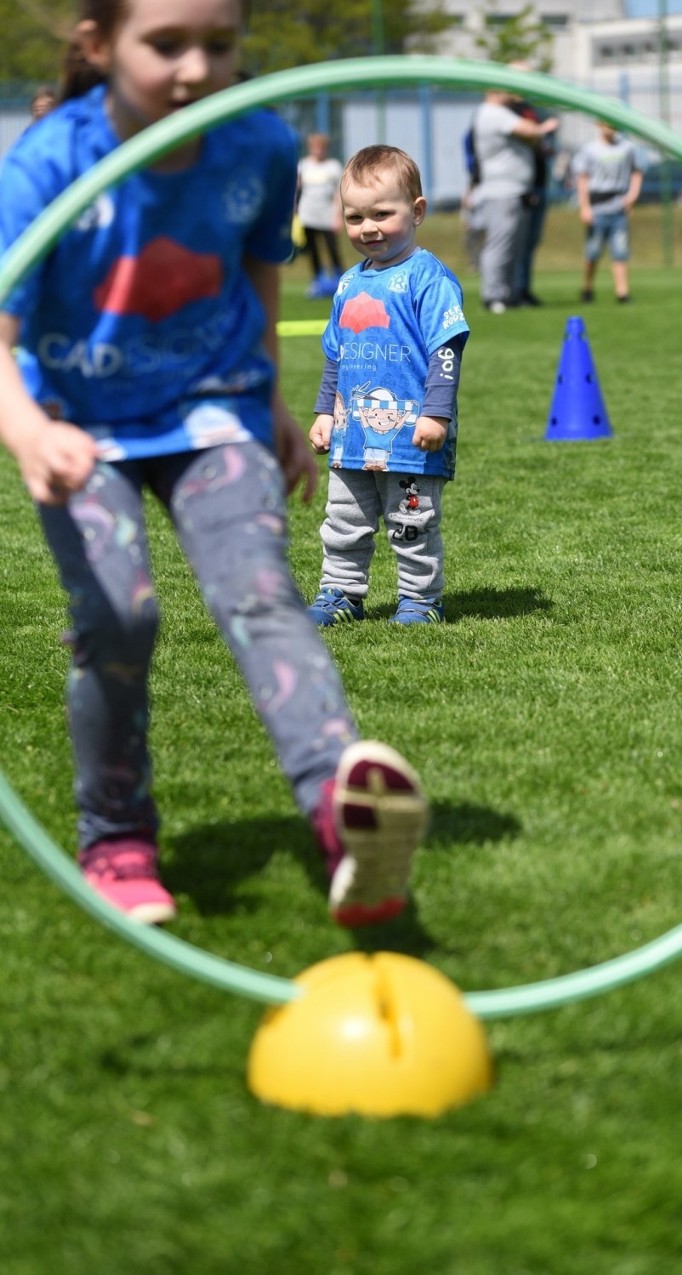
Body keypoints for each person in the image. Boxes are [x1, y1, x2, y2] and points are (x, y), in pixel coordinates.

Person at [0, 0, 428, 930]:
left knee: (261, 592)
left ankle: (340, 814)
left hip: (214, 412)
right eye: (166, 45)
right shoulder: (48, 161)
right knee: (118, 617)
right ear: (99, 46)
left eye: (220, 44)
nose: (197, 68)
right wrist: (29, 433)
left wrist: (272, 399)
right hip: (83, 425)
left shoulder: (260, 148)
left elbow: (258, 271)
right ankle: (115, 835)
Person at [306, 145, 469, 627]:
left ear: (416, 211)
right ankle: (340, 594)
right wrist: (323, 412)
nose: (368, 227)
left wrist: (436, 412)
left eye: (382, 213)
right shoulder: (348, 284)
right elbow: (336, 355)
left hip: (412, 436)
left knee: (411, 523)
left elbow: (446, 348)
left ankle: (420, 599)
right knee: (342, 522)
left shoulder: (428, 277)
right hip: (351, 433)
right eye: (354, 217)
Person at [469, 88, 558, 314]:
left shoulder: (499, 113)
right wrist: (547, 126)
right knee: (500, 245)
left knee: (514, 248)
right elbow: (529, 129)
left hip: (515, 190)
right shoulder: (494, 112)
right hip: (502, 191)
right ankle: (493, 296)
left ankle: (507, 294)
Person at [572, 120, 645, 304]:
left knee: (620, 251)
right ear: (598, 124)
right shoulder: (590, 149)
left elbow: (637, 171)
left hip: (618, 207)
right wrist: (585, 207)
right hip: (597, 207)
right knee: (593, 252)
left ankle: (622, 293)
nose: (610, 128)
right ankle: (587, 288)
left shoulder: (627, 148)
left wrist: (633, 195)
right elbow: (582, 179)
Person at [507, 62, 556, 308]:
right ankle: (512, 290)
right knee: (516, 241)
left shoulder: (531, 109)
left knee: (531, 240)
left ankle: (524, 289)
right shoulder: (507, 111)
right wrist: (543, 131)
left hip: (538, 181)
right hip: (519, 186)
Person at [296, 132, 345, 300]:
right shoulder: (303, 165)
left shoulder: (333, 166)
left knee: (332, 250)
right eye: (315, 147)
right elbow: (297, 190)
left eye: (321, 147)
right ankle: (317, 281)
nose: (318, 150)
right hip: (307, 215)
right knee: (313, 251)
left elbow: (338, 193)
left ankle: (342, 282)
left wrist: (338, 216)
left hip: (327, 215)